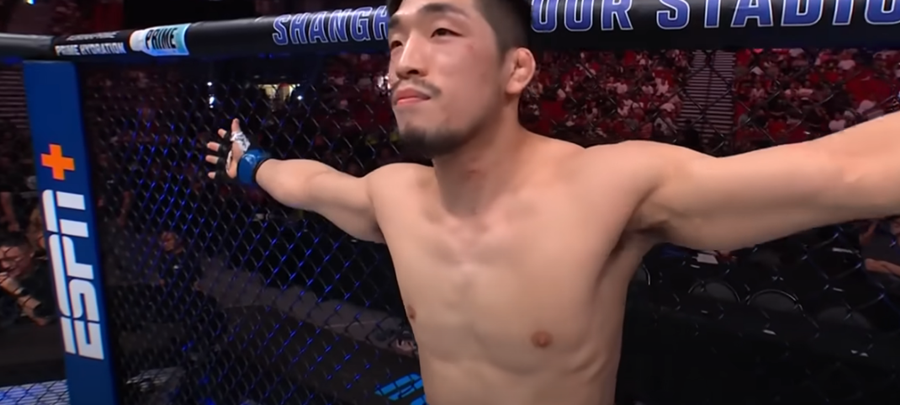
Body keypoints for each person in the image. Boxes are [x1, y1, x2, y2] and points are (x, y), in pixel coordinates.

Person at [204, 0, 900, 403]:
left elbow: (840, 171)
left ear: (517, 69)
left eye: (442, 32)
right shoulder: (394, 193)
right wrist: (251, 163)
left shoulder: (609, 186)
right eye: (395, 41)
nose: (404, 60)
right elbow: (312, 184)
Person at [0, 232, 55, 327]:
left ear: (30, 252)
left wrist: (17, 291)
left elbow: (45, 320)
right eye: (0, 261)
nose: (5, 265)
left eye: (13, 258)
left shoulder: (51, 275)